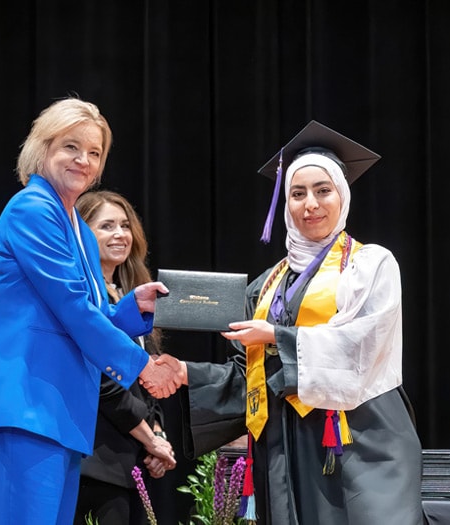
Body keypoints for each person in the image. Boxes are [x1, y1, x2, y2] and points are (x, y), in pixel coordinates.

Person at [155, 121, 424, 524]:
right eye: (298, 193)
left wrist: (276, 337)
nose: (310, 204)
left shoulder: (370, 265)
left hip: (360, 437)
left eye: (323, 190)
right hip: (289, 444)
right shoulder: (267, 286)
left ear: (342, 196)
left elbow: (362, 345)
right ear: (285, 204)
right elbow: (254, 376)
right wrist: (185, 372)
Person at [0, 97, 179, 524]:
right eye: (71, 146)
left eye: (95, 152)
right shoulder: (33, 209)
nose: (83, 160)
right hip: (26, 407)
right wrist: (143, 367)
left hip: (61, 413)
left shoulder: (77, 226)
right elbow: (72, 308)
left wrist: (128, 309)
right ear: (42, 148)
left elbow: (91, 311)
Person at [73, 190, 176, 525]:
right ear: (83, 235)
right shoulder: (83, 298)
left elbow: (148, 377)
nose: (119, 234)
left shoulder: (134, 297)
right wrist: (150, 438)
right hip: (94, 461)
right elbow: (105, 382)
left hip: (131, 464)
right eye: (106, 226)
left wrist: (157, 436)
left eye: (124, 225)